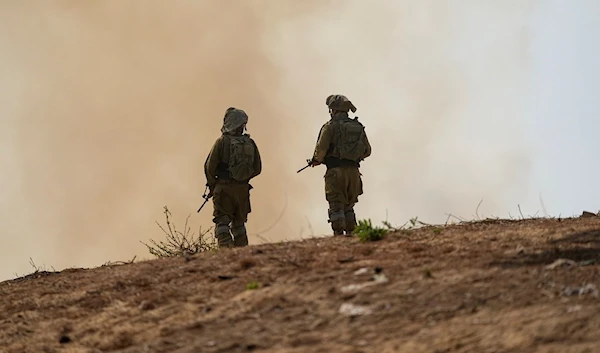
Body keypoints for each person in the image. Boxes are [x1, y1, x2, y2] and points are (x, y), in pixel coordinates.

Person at [310, 94, 372, 236]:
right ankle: (353, 237)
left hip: (336, 173)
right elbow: (367, 151)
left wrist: (316, 160)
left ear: (334, 110)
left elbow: (320, 152)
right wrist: (353, 158)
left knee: (337, 207)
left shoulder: (329, 127)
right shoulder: (358, 127)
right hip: (354, 174)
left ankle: (339, 238)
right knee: (349, 207)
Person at [204, 107, 262, 247]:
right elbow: (257, 168)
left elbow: (209, 167)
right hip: (242, 191)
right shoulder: (250, 143)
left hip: (224, 188)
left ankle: (226, 254)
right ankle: (242, 253)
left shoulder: (222, 142)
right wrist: (242, 179)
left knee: (222, 222)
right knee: (239, 224)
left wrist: (213, 185)